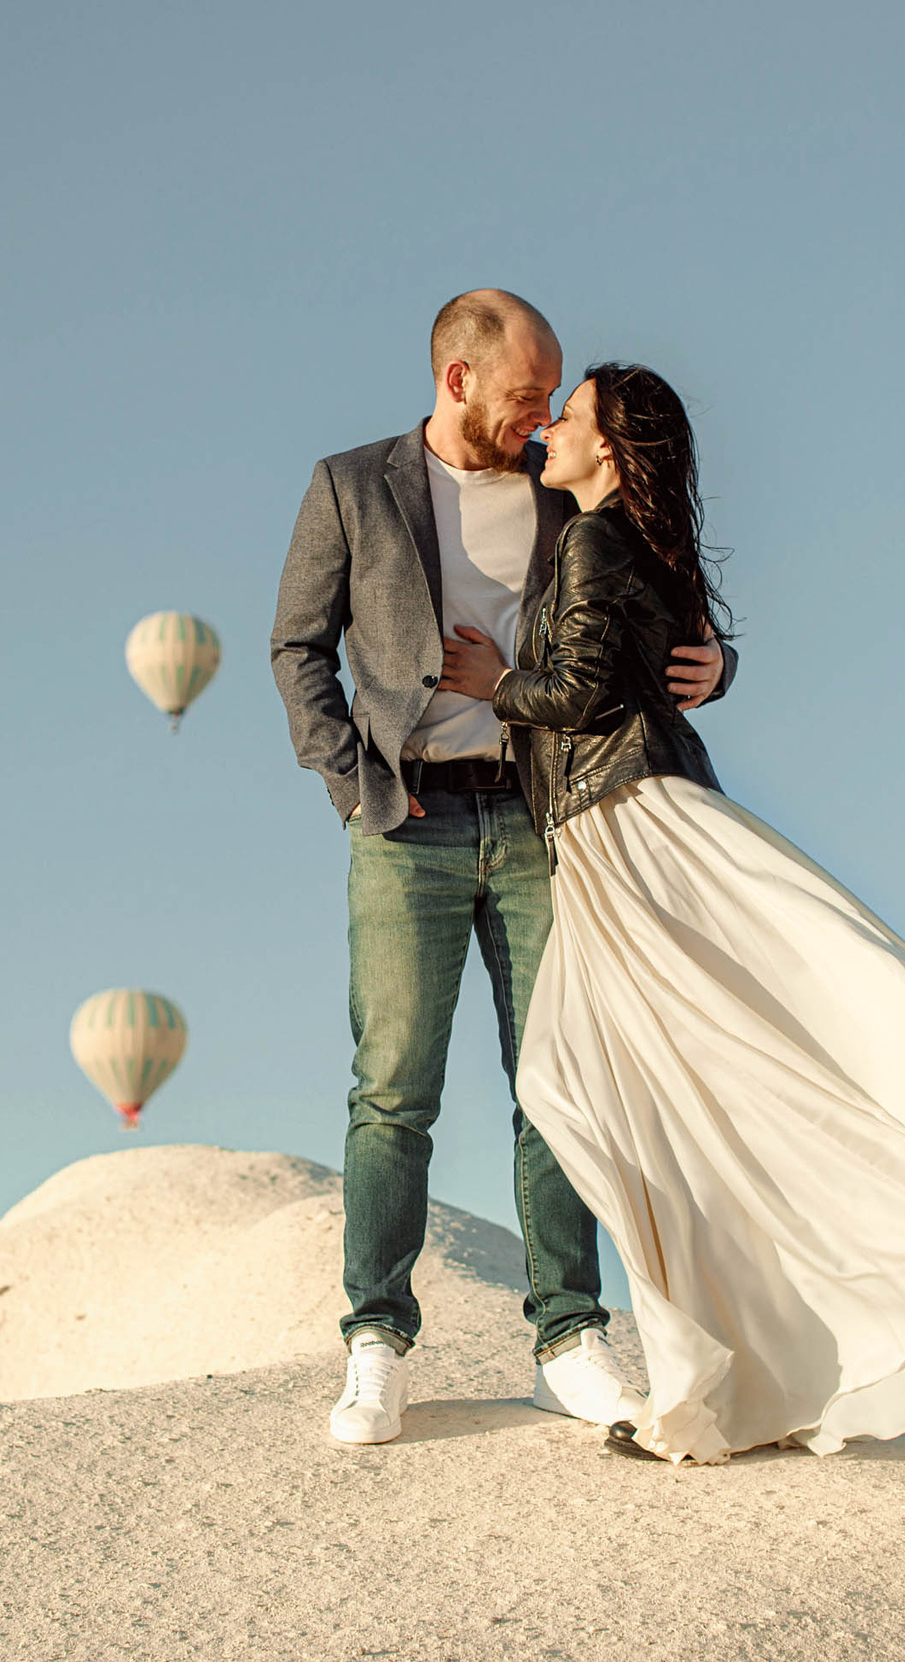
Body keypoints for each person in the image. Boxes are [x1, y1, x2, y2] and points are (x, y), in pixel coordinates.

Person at [443, 362, 905, 1464]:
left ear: (608, 446)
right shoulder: (633, 541)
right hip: (620, 821)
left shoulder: (594, 539)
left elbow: (582, 691)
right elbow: (666, 661)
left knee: (607, 1087)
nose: (548, 431)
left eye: (569, 417)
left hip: (627, 825)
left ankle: (717, 1379)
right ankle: (729, 1381)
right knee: (678, 1086)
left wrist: (493, 685)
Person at [270, 292, 738, 1447]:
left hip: (541, 817)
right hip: (405, 822)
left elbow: (647, 585)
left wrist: (717, 661)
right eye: (528, 393)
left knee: (556, 1081)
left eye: (553, 396)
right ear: (458, 378)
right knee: (393, 1090)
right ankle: (376, 1343)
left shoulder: (560, 485)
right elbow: (298, 644)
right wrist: (351, 781)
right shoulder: (350, 485)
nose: (543, 413)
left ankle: (568, 1341)